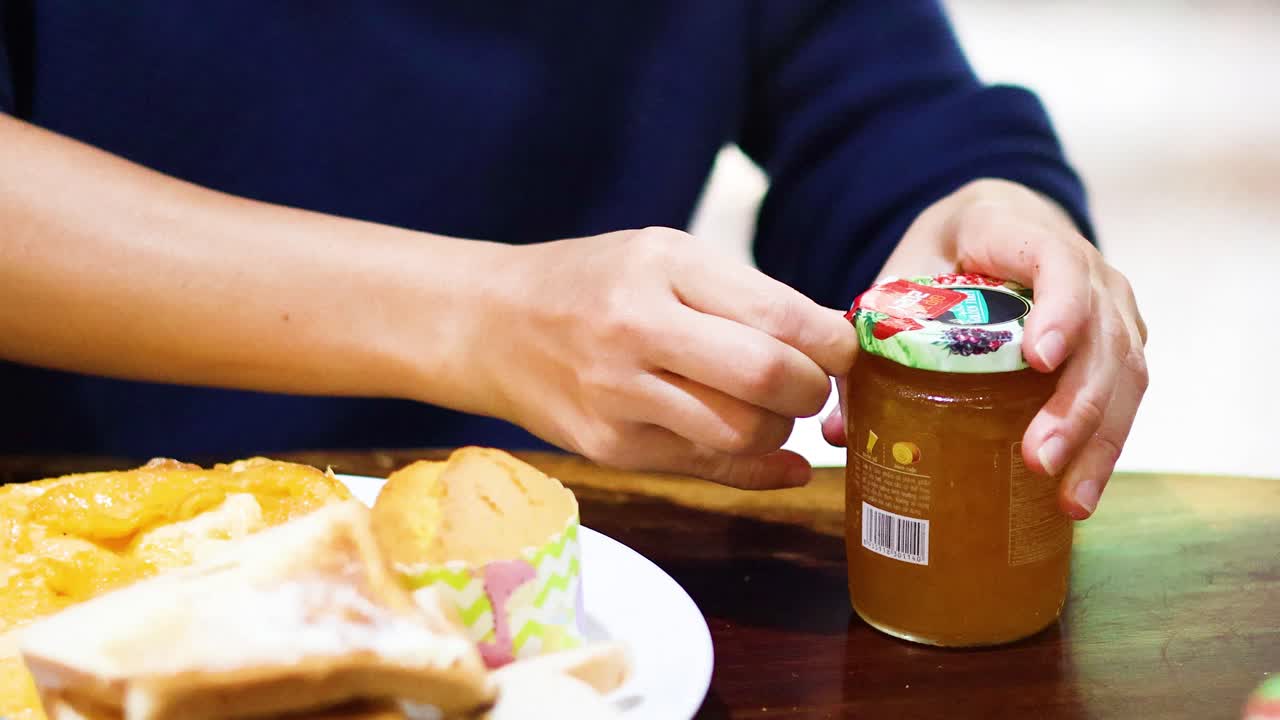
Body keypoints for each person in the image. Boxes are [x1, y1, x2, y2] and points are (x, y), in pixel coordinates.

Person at [0, 2, 1146, 519]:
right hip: (63, 529)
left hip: (545, 569)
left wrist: (983, 201)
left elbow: (884, 110)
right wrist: (473, 317)